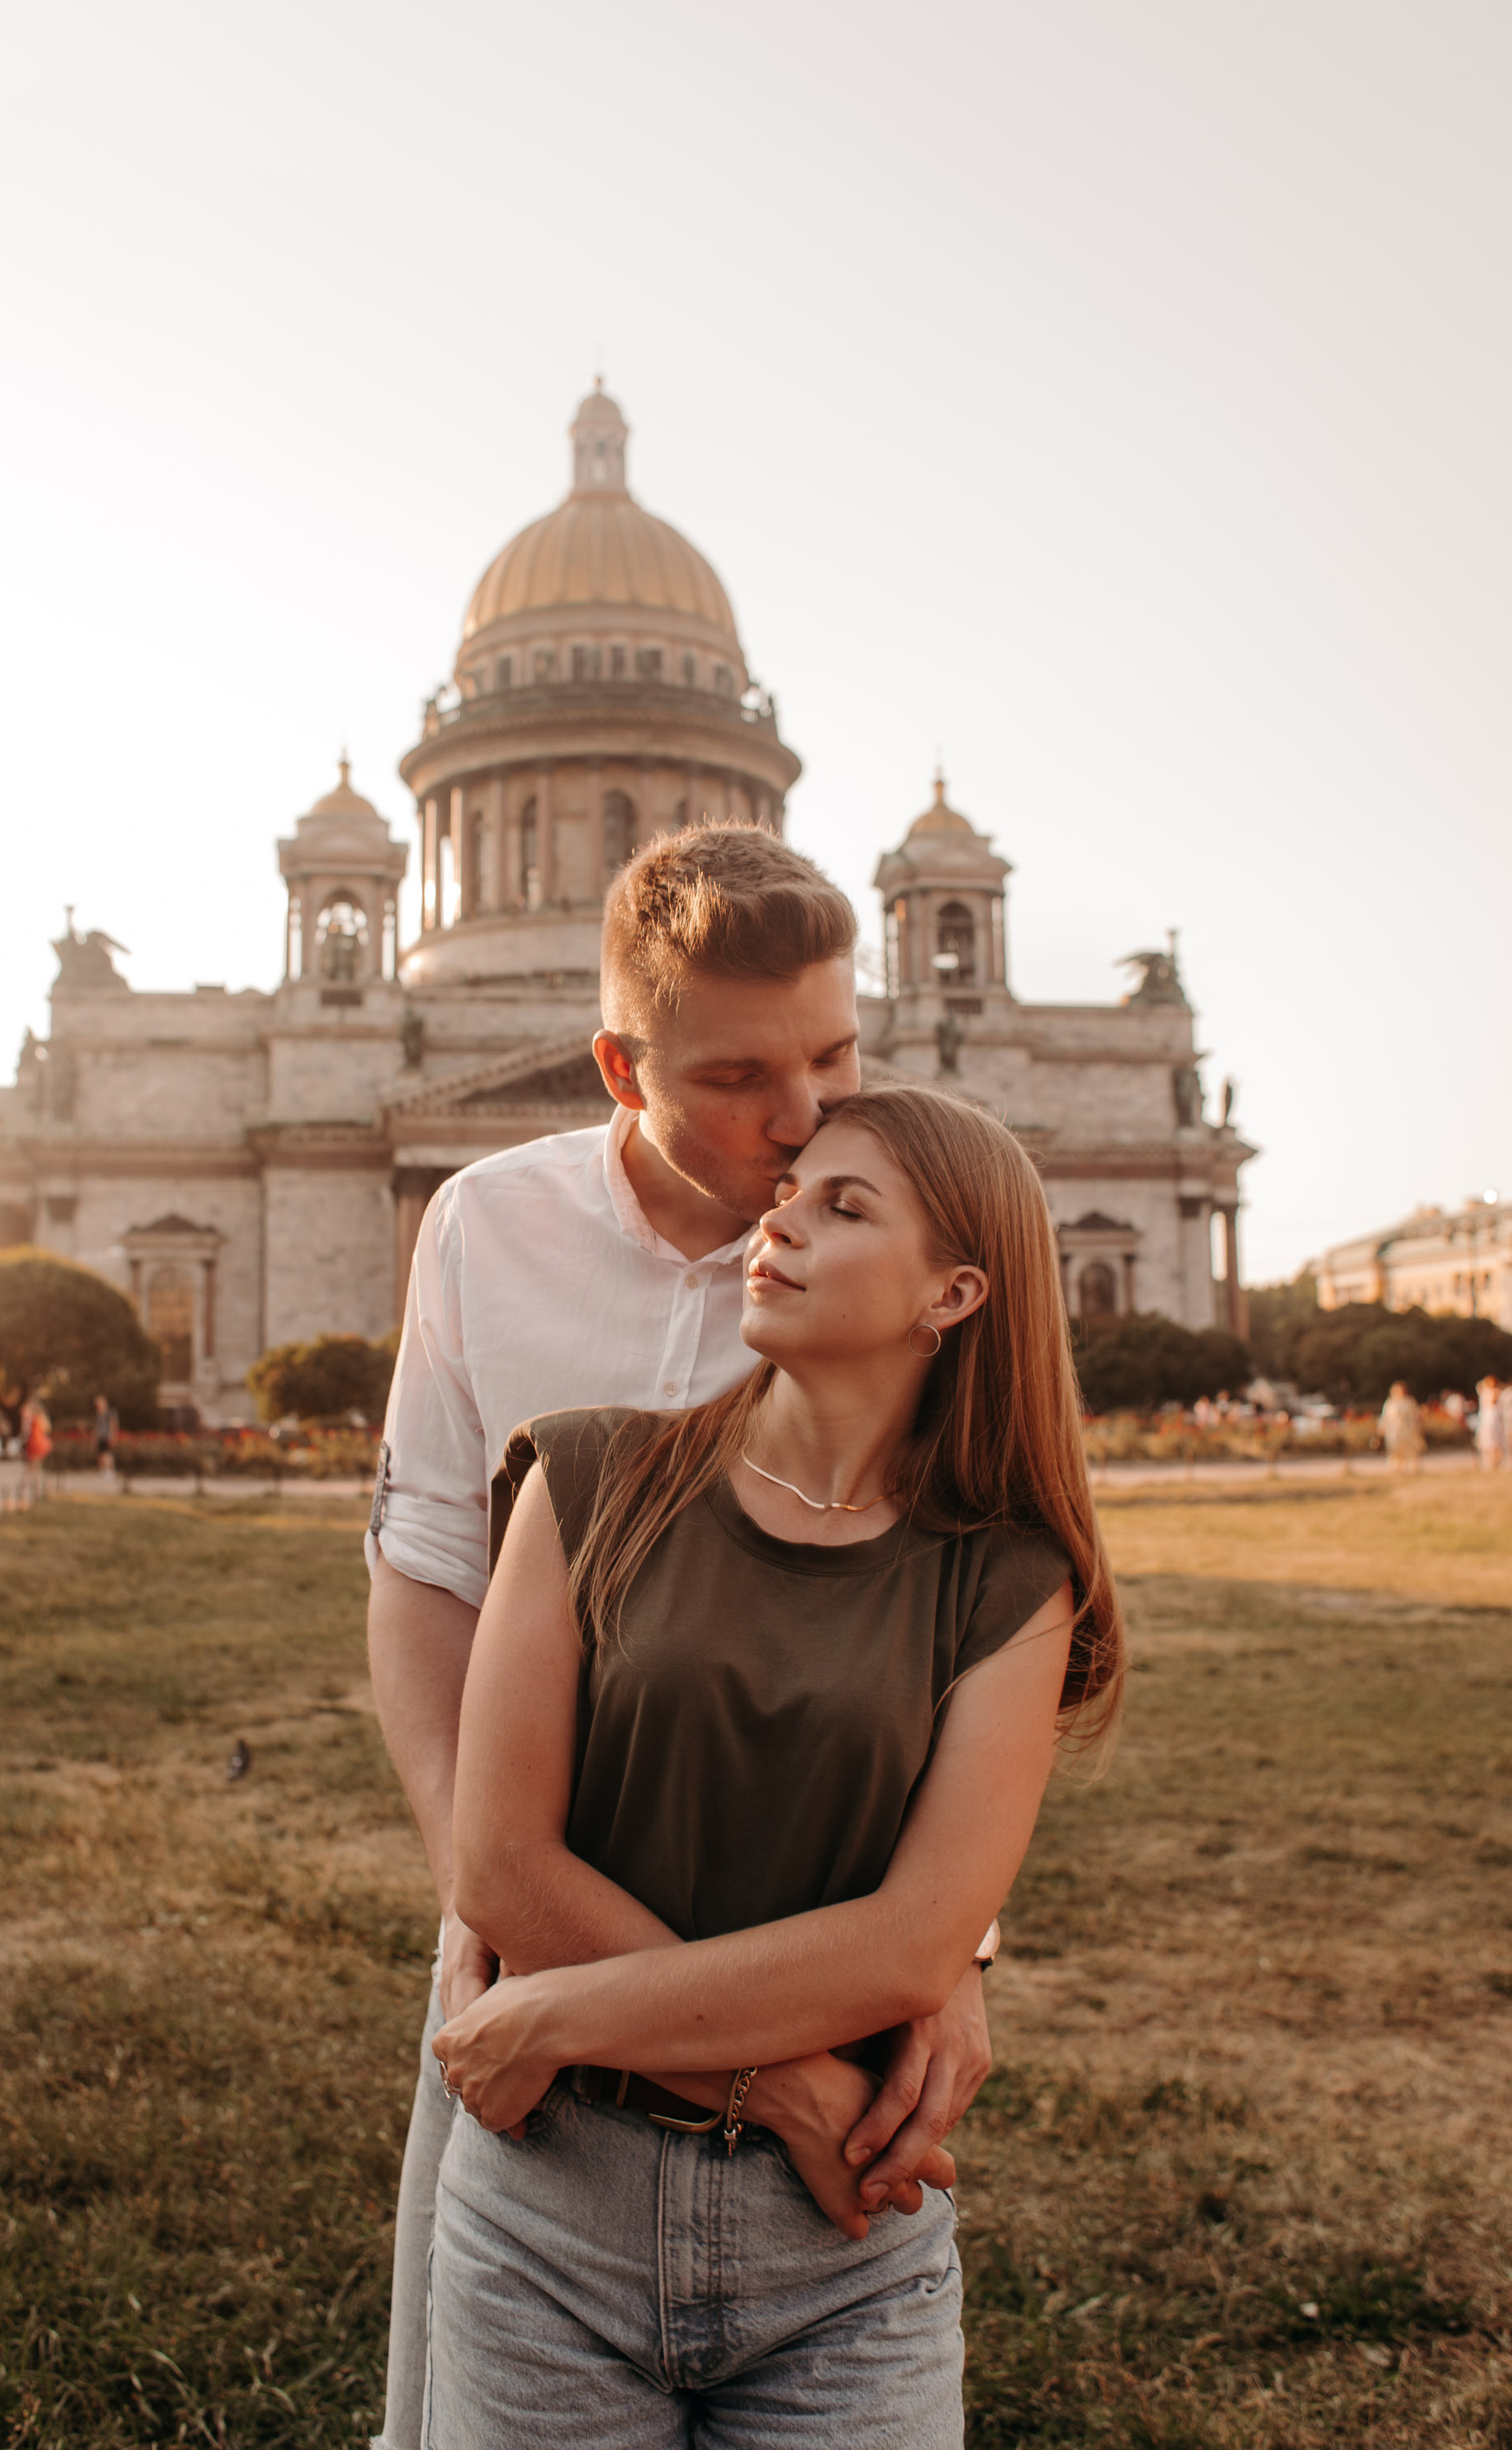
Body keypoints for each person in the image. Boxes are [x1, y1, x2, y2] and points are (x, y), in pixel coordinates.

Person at [368, 826, 1003, 2449]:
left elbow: (945, 1609)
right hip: (541, 1953)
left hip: (809, 1928)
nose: (798, 1123)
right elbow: (422, 1575)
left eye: (834, 1057)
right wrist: (485, 1905)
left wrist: (952, 1952)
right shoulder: (482, 1224)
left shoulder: (873, 1244)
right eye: (734, 1079)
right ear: (614, 1062)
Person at [429, 1085, 1124, 2445]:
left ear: (956, 1292)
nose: (780, 1217)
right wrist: (788, 2092)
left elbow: (917, 1945)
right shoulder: (584, 1475)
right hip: (551, 2223)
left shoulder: (1012, 1583)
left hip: (843, 2263)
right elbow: (502, 1869)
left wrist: (555, 2017)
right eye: (791, 1190)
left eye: (843, 1205)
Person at [1379, 1380, 1424, 1472]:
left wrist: (1416, 1428)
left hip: (1406, 1429)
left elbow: (1414, 1416)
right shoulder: (1390, 1403)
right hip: (1393, 1431)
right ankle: (1396, 1468)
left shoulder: (1409, 1402)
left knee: (1409, 1449)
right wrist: (1382, 1428)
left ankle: (1412, 1468)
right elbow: (1385, 1417)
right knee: (1394, 1449)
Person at [1475, 1377, 1505, 1472]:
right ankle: (1490, 1463)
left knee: (1493, 1441)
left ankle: (1493, 1462)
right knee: (1489, 1441)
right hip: (1489, 1419)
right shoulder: (1490, 1392)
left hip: (1490, 1419)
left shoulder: (1489, 1392)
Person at [93, 1392, 118, 1475]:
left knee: (107, 1454)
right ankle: (103, 1470)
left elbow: (112, 1425)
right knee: (100, 1454)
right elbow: (97, 1427)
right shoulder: (98, 1414)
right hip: (100, 1436)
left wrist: (111, 1436)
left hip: (106, 1436)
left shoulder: (109, 1413)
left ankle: (110, 1470)